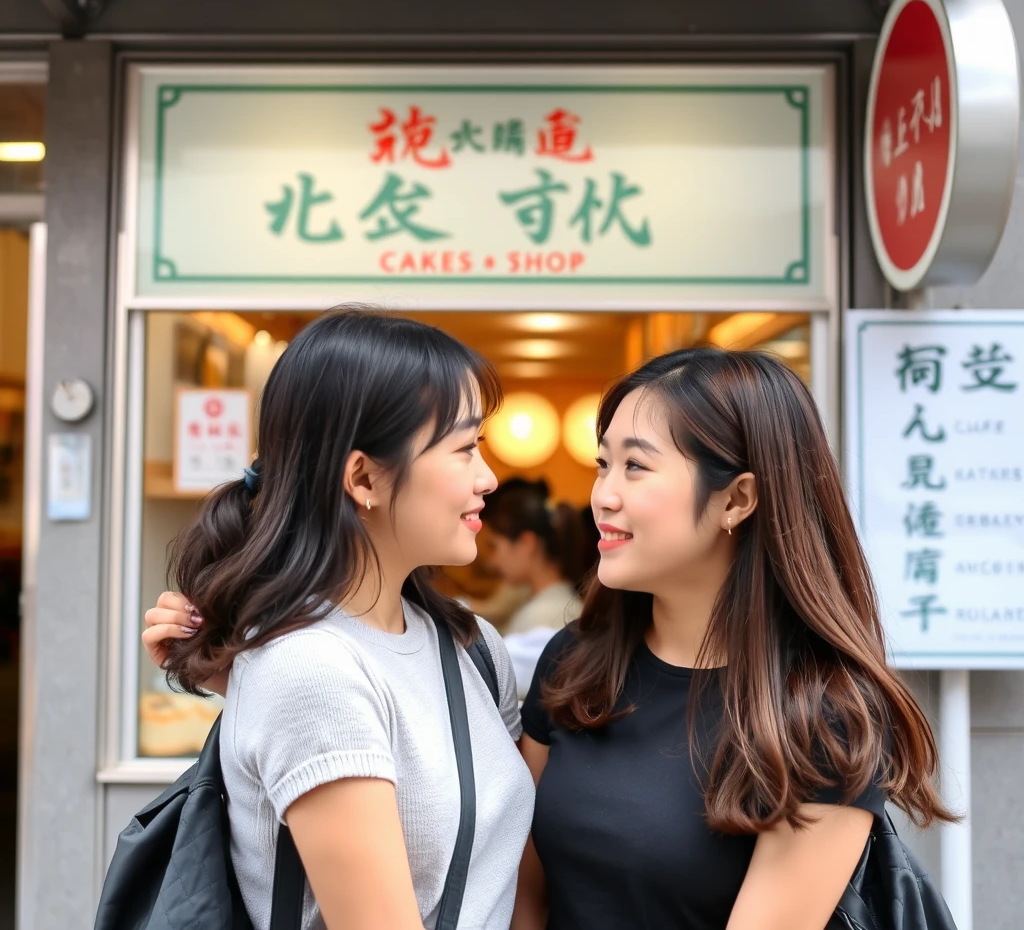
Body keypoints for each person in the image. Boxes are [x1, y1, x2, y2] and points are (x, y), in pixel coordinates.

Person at [513, 348, 955, 930]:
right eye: (602, 464)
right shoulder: (575, 665)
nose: (603, 495)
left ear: (738, 499)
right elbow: (523, 902)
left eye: (635, 467)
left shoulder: (819, 716)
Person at [142, 309, 534, 930]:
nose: (487, 478)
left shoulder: (472, 646)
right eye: (463, 449)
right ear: (363, 478)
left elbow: (513, 886)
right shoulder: (309, 669)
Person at [482, 478, 588, 700]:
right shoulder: (558, 602)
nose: (493, 561)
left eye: (495, 546)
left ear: (527, 542)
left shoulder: (542, 615)